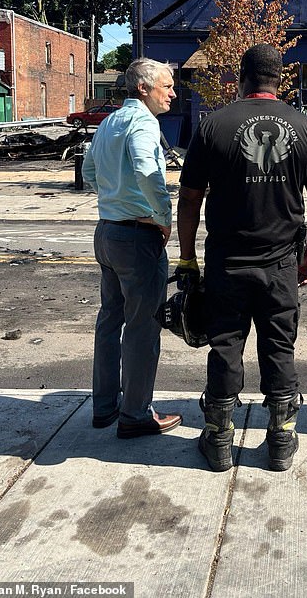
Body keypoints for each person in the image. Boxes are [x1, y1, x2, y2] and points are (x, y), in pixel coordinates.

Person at [177, 43, 307, 472]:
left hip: (227, 261)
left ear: (241, 77)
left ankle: (220, 440)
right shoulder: (306, 128)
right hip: (281, 261)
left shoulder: (213, 126)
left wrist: (187, 257)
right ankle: (281, 440)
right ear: (279, 80)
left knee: (225, 345)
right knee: (279, 346)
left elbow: (189, 200)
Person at [82, 57, 183, 439]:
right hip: (137, 236)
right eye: (167, 86)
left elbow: (89, 172)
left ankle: (105, 406)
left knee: (110, 319)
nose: (173, 92)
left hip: (107, 230)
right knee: (142, 327)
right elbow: (146, 169)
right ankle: (136, 413)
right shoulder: (143, 122)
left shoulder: (108, 122)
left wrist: (113, 199)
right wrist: (162, 216)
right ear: (143, 89)